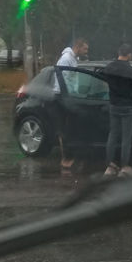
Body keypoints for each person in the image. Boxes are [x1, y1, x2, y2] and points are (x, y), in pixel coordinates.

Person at [104, 43, 132, 178]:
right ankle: (124, 167)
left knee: (112, 135)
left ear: (118, 52)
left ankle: (110, 166)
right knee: (126, 138)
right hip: (128, 107)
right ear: (130, 55)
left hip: (114, 105)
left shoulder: (108, 68)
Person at [53, 38, 89, 172]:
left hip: (69, 95)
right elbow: (63, 78)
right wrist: (68, 96)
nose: (86, 51)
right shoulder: (66, 58)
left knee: (71, 127)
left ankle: (70, 155)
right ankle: (66, 158)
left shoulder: (73, 59)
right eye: (85, 49)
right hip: (62, 96)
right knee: (64, 128)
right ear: (78, 47)